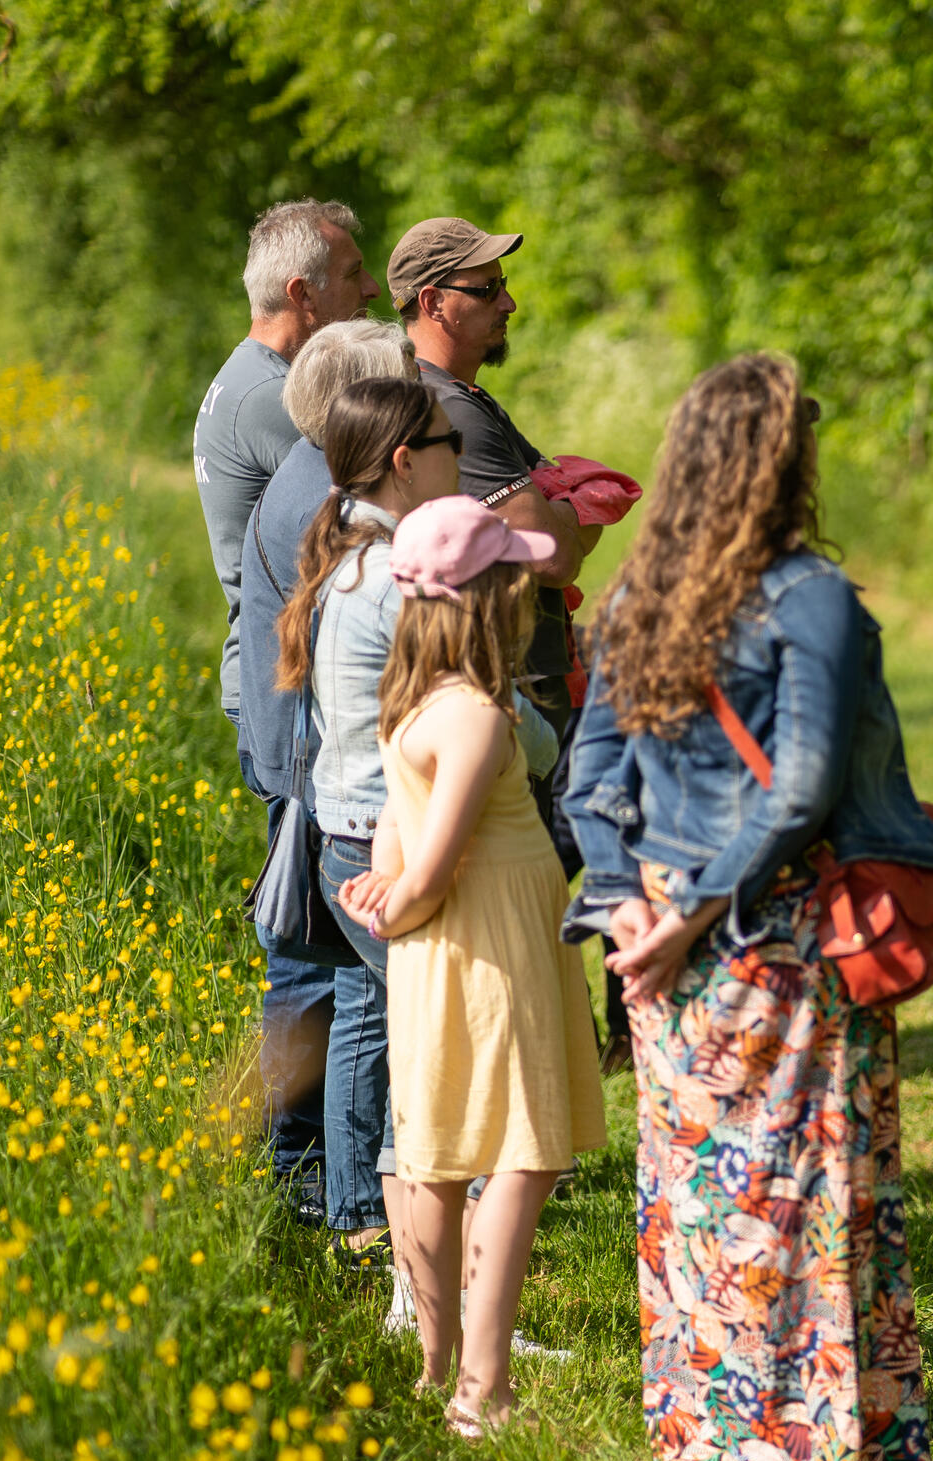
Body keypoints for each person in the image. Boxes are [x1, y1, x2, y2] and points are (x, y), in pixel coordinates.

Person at [563, 353, 933, 1461]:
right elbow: (802, 790)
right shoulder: (806, 597)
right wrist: (681, 914)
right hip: (771, 941)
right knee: (803, 1195)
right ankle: (820, 1456)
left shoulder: (640, 594)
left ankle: (719, 1452)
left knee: (701, 1207)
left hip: (667, 951)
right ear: (784, 467)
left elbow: (591, 781)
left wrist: (625, 897)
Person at [241, 324, 561, 1280]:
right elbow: (486, 716)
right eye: (451, 445)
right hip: (399, 830)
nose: (465, 456)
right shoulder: (399, 577)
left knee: (374, 1023)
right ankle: (423, 1281)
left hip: (351, 824)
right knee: (427, 1064)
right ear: (404, 460)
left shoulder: (347, 556)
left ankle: (368, 1235)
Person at [334, 495, 605, 1437]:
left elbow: (393, 840)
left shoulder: (410, 700)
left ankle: (434, 1368)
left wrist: (382, 898)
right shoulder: (481, 716)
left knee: (437, 1158)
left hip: (440, 954)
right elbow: (439, 860)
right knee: (520, 1158)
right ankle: (482, 1388)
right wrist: (401, 900)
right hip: (491, 950)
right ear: (487, 601)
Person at [390, 214, 633, 1068]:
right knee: (542, 876)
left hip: (505, 677)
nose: (509, 304)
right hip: (507, 688)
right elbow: (555, 545)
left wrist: (558, 506)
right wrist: (576, 506)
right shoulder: (449, 408)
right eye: (487, 291)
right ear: (433, 302)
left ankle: (574, 1053)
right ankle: (549, 1072)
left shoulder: (459, 398)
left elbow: (546, 518)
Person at [197, 197, 380, 1226]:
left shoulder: (254, 381)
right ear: (302, 289)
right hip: (290, 706)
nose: (368, 290)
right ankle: (294, 1176)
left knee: (309, 947)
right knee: (310, 954)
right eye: (352, 273)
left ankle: (298, 1171)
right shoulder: (281, 402)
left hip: (282, 692)